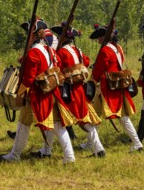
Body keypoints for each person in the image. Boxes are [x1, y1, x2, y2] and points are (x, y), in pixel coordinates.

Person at [0, 19, 76, 163]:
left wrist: (20, 94)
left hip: (37, 95)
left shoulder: (34, 52)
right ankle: (69, 156)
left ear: (34, 35)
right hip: (52, 92)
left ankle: (15, 155)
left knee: (23, 124)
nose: (27, 36)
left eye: (29, 33)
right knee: (58, 126)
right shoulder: (50, 50)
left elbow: (28, 79)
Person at [42, 24, 105, 158]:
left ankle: (98, 149)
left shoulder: (62, 52)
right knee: (61, 120)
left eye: (59, 36)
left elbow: (57, 67)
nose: (58, 38)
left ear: (63, 37)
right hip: (80, 89)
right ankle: (46, 150)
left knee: (65, 121)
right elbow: (86, 61)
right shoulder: (77, 50)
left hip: (69, 91)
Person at [90, 24, 143, 152]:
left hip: (107, 87)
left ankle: (137, 143)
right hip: (116, 85)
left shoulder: (105, 51)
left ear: (104, 38)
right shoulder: (117, 48)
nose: (98, 40)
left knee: (122, 117)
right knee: (93, 116)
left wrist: (91, 81)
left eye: (99, 38)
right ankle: (90, 143)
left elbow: (98, 71)